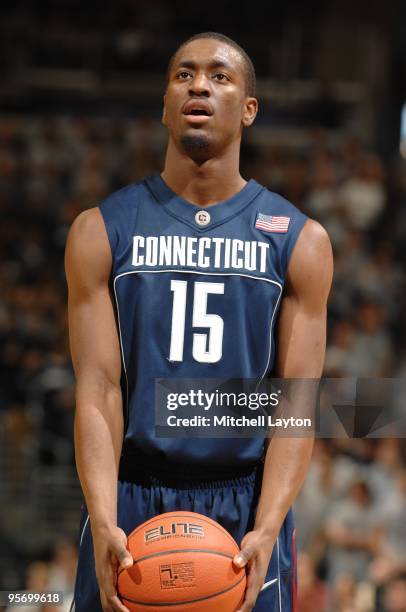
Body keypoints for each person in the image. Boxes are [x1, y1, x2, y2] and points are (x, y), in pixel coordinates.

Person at [65, 32, 333, 612]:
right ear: (165, 105)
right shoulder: (101, 230)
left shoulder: (300, 241)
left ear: (249, 109)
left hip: (245, 506)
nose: (200, 85)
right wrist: (104, 514)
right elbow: (98, 390)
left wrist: (268, 526)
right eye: (184, 75)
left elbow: (296, 402)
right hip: (130, 493)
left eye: (220, 75)